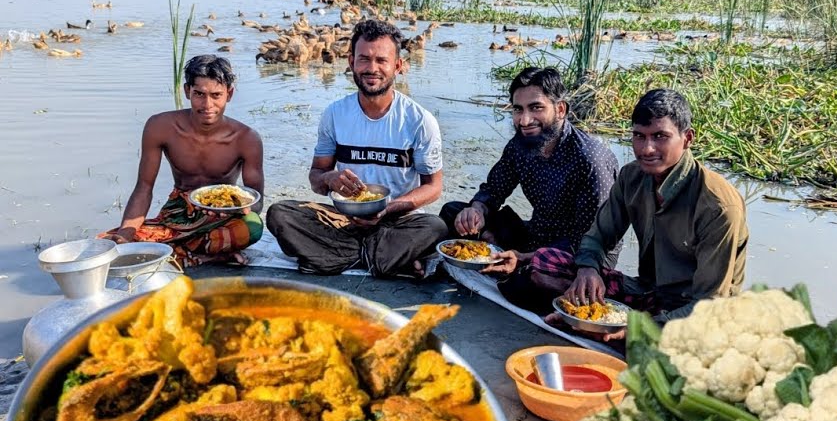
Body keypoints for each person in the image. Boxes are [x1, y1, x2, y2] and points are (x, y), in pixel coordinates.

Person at [536, 88, 749, 340]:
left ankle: (611, 333)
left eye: (660, 136)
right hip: (650, 293)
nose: (647, 149)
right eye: (639, 136)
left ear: (687, 138)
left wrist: (638, 330)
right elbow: (598, 236)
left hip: (695, 313)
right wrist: (588, 269)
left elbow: (709, 305)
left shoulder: (718, 206)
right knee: (545, 264)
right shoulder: (631, 176)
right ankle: (599, 327)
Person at [266, 18, 448, 277]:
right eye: (364, 59)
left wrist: (387, 209)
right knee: (280, 214)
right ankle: (379, 259)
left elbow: (433, 187)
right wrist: (330, 178)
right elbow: (316, 180)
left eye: (381, 61)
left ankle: (335, 257)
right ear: (351, 62)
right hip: (344, 218)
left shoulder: (419, 120)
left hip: (396, 219)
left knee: (435, 226)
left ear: (397, 66)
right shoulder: (335, 114)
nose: (372, 69)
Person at [440, 66, 618, 262]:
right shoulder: (520, 145)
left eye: (536, 108)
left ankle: (518, 266)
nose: (524, 121)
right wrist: (477, 211)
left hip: (582, 253)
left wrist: (525, 258)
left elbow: (591, 240)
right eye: (518, 110)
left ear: (560, 109)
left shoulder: (590, 159)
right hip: (537, 236)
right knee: (454, 213)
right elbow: (493, 190)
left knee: (533, 279)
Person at [102, 55, 264, 267]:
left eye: (216, 95)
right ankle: (204, 254)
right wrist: (126, 233)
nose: (208, 105)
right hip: (178, 211)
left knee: (252, 227)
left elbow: (257, 200)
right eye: (199, 94)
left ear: (229, 94)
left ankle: (177, 251)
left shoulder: (246, 138)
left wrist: (237, 210)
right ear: (187, 91)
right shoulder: (160, 126)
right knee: (107, 244)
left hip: (223, 214)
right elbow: (144, 187)